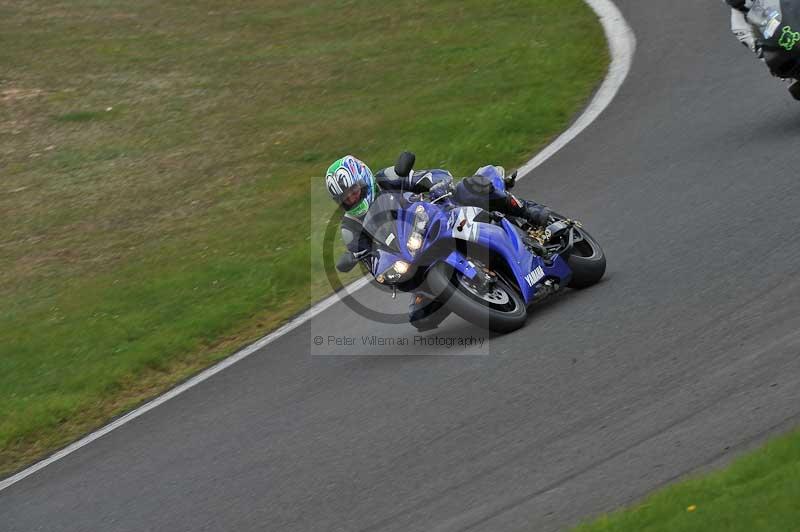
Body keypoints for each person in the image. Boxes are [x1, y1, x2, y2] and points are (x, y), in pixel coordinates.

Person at [325, 154, 552, 331]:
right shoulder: (350, 227)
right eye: (345, 198)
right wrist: (376, 266)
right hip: (412, 255)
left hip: (439, 216)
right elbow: (370, 260)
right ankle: (469, 290)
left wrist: (437, 184)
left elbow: (430, 176)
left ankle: (530, 212)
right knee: (421, 317)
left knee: (472, 187)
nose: (352, 199)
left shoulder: (387, 178)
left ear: (363, 178)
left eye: (354, 191)